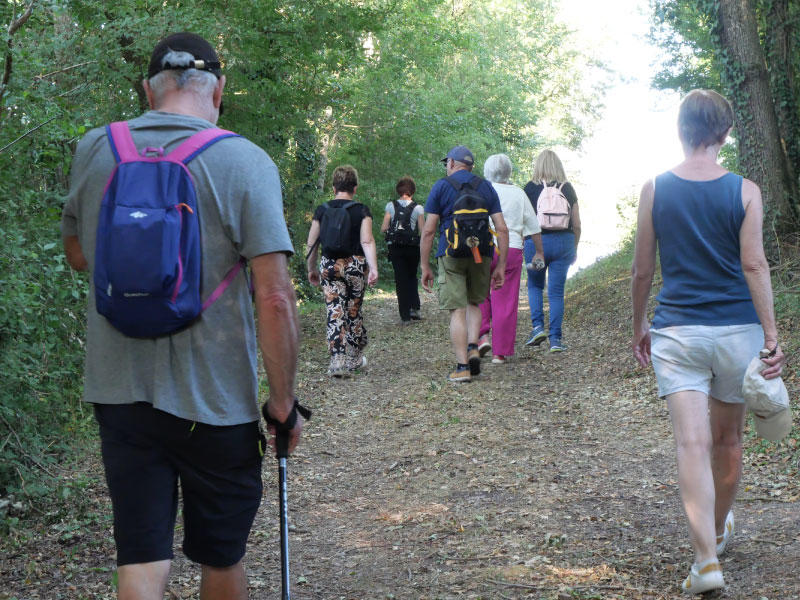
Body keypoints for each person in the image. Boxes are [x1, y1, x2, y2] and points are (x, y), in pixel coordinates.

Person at [61, 33, 305, 600]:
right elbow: (274, 297)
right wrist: (283, 405)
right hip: (216, 402)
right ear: (218, 91)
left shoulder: (96, 148)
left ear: (148, 89)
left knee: (141, 560)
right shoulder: (244, 160)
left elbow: (78, 255)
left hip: (119, 391)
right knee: (220, 558)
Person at [630, 89, 786, 595]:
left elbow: (642, 269)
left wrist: (639, 324)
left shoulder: (656, 188)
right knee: (729, 441)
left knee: (691, 444)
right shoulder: (746, 191)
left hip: (677, 332)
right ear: (725, 133)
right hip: (737, 332)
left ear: (681, 130)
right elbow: (755, 265)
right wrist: (771, 337)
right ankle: (716, 533)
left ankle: (705, 563)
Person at [420, 145, 510, 383]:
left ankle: (462, 367)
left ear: (451, 163)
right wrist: (500, 266)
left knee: (457, 309)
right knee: (474, 302)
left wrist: (425, 266)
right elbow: (501, 228)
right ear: (470, 166)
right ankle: (472, 346)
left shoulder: (442, 186)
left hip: (451, 254)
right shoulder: (486, 186)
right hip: (482, 253)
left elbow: (429, 231)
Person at [306, 165, 378, 377]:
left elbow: (312, 243)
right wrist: (373, 267)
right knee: (353, 310)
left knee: (334, 310)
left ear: (334, 187)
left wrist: (312, 269)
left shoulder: (322, 210)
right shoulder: (361, 210)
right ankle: (354, 359)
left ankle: (337, 360)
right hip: (355, 264)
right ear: (354, 188)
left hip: (329, 266)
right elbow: (366, 240)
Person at [478, 154, 544, 364]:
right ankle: (499, 352)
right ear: (509, 172)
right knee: (505, 300)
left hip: (482, 249)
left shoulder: (482, 190)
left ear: (487, 171)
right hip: (512, 249)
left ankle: (481, 336)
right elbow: (533, 226)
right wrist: (539, 251)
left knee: (480, 293)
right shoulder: (519, 193)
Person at [523, 149, 582, 352]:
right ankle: (555, 340)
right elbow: (577, 224)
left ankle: (538, 327)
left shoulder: (530, 188)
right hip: (563, 244)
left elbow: (524, 221)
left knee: (535, 286)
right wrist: (573, 248)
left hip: (536, 244)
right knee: (556, 293)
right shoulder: (568, 189)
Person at [381, 176, 425, 323]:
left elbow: (384, 228)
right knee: (412, 277)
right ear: (412, 191)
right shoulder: (418, 208)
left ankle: (404, 316)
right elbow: (422, 230)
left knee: (400, 280)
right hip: (412, 247)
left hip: (395, 248)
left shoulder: (390, 206)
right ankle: (415, 309)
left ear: (398, 190)